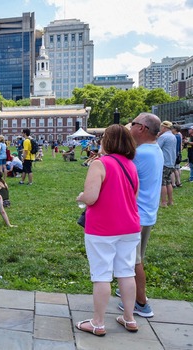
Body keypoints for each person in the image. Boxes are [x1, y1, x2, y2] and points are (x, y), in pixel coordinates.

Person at [75, 124, 140, 336]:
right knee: (126, 272)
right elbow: (134, 197)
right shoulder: (131, 165)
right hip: (130, 226)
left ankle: (98, 322)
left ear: (108, 141)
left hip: (103, 227)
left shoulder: (100, 164)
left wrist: (81, 197)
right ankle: (129, 318)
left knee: (101, 274)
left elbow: (91, 197)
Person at [114, 113, 163, 319]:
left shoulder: (141, 154)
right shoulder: (154, 150)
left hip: (135, 216)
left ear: (141, 128)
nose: (129, 126)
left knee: (133, 261)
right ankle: (129, 290)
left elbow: (116, 164)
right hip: (146, 214)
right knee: (135, 258)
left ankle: (141, 303)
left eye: (132, 123)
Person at [157, 121, 177, 207]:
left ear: (164, 128)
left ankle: (164, 202)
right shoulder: (173, 136)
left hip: (164, 162)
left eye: (161, 127)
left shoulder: (163, 137)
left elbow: (156, 148)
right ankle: (170, 201)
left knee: (162, 183)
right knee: (168, 182)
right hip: (171, 162)